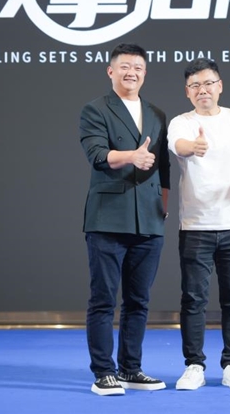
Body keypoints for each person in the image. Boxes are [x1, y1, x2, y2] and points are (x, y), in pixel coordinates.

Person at [79, 43, 170, 396]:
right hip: (108, 218)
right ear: (111, 71)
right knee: (103, 300)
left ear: (145, 73)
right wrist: (131, 156)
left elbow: (163, 168)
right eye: (125, 67)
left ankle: (131, 369)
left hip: (149, 220)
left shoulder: (157, 113)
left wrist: (163, 206)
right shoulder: (95, 109)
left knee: (138, 301)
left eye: (138, 68)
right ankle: (104, 372)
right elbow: (97, 154)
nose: (132, 72)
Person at [167, 58, 230, 391]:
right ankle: (194, 365)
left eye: (208, 83)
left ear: (220, 86)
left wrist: (227, 188)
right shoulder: (181, 122)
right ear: (187, 92)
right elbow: (178, 146)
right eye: (195, 85)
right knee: (193, 299)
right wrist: (193, 147)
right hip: (195, 227)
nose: (202, 90)